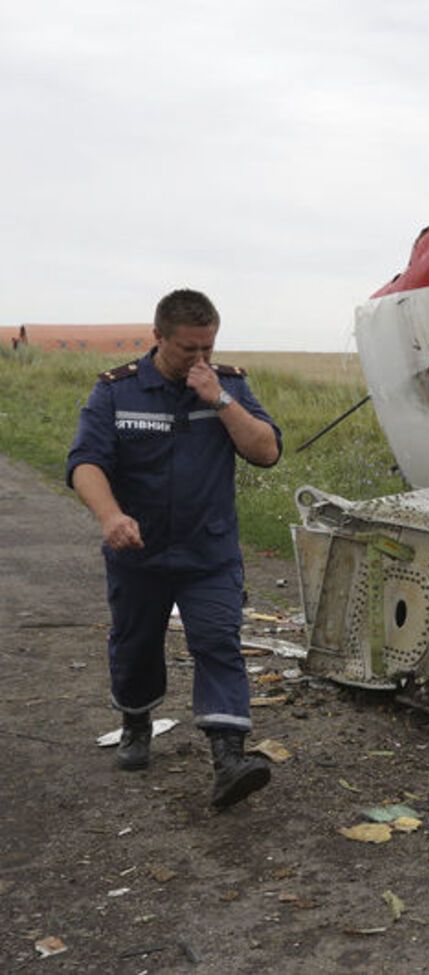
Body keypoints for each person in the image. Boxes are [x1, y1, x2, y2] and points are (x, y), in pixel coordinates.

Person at [67, 289, 283, 808]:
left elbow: (266, 451)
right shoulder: (117, 391)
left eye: (208, 347)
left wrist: (220, 400)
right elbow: (86, 463)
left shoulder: (228, 386)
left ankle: (229, 759)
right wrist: (110, 515)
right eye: (189, 349)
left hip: (208, 553)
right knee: (136, 645)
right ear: (158, 337)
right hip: (138, 553)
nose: (200, 359)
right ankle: (137, 722)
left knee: (217, 642)